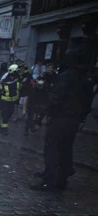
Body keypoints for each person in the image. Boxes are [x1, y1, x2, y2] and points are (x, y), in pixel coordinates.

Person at [31, 40, 93, 191]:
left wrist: (45, 113)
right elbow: (87, 100)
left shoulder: (67, 76)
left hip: (61, 117)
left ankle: (50, 180)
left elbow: (56, 98)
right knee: (66, 149)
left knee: (52, 148)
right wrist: (82, 118)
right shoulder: (85, 78)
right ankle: (61, 179)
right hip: (74, 119)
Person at [0, 64, 21, 135]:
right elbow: (1, 85)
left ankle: (3, 124)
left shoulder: (17, 77)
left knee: (11, 112)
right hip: (5, 100)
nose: (18, 72)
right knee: (4, 114)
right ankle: (4, 129)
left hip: (13, 100)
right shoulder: (5, 77)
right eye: (17, 71)